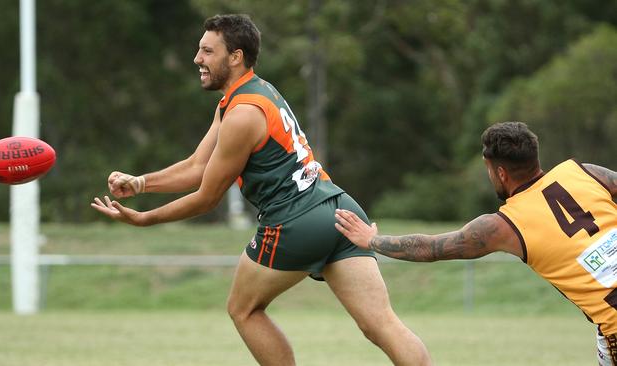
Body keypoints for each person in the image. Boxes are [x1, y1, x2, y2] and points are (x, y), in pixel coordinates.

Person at [91, 14, 431, 366]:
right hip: (340, 209)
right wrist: (142, 183)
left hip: (295, 222)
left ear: (235, 57)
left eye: (207, 51)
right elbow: (197, 166)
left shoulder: (241, 114)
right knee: (382, 324)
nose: (198, 59)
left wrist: (145, 219)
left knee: (244, 309)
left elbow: (207, 197)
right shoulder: (257, 92)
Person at [334, 121, 617, 365]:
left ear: (500, 173)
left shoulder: (504, 225)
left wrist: (372, 239)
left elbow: (429, 248)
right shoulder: (585, 172)